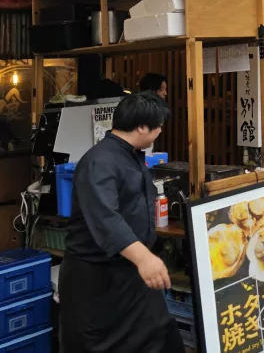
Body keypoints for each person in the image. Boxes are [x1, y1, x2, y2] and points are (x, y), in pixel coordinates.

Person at [59, 93, 184, 353]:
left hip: (132, 279)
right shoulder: (98, 161)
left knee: (162, 336)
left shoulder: (131, 155)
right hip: (98, 283)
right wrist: (144, 258)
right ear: (141, 127)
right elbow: (105, 217)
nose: (160, 130)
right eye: (158, 125)